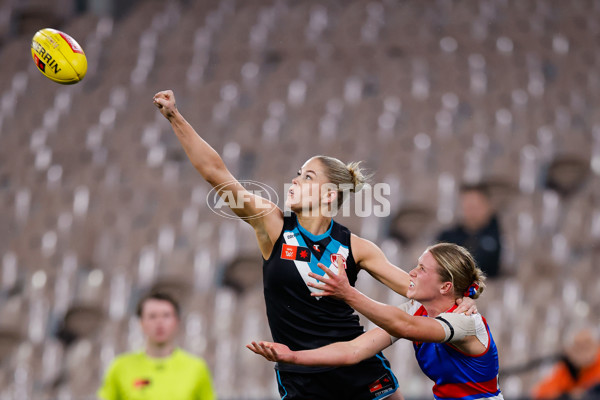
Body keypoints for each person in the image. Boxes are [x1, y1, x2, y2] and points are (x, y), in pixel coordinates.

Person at [153, 90, 476, 400]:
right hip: (301, 376)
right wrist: (175, 117)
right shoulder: (271, 224)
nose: (294, 181)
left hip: (359, 370)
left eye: (307, 177)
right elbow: (215, 173)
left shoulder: (357, 247)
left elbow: (413, 287)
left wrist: (465, 299)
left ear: (329, 194)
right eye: (297, 174)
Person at [248, 243, 503, 400]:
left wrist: (348, 294)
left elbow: (405, 327)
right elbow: (353, 350)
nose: (412, 273)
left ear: (446, 286)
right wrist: (294, 356)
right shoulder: (416, 309)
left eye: (422, 269)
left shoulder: (468, 321)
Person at [97, 291, 215, 400]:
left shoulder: (196, 368)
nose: (159, 323)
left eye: (166, 316)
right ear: (141, 323)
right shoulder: (120, 367)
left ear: (177, 321)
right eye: (152, 316)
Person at [436, 183, 502, 278]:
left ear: (488, 206)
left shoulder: (502, 235)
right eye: (467, 207)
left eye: (476, 206)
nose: (471, 212)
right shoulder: (447, 237)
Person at [531, 325, 600, 400]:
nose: (583, 350)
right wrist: (567, 395)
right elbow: (541, 393)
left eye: (587, 344)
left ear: (596, 345)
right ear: (568, 350)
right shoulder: (565, 370)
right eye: (577, 345)